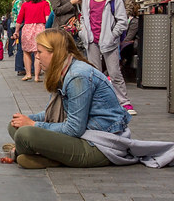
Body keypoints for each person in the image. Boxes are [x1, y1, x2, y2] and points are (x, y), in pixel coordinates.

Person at [7, 29, 130, 168]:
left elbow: (74, 128)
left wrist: (33, 124)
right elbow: (54, 113)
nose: (37, 57)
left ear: (55, 53)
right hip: (83, 137)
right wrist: (28, 119)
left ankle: (50, 157)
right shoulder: (63, 71)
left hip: (99, 145)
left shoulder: (77, 76)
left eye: (40, 52)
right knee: (14, 126)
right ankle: (49, 156)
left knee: (25, 134)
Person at [79, 0, 134, 115]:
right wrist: (83, 32)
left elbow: (122, 21)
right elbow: (84, 18)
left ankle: (124, 102)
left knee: (114, 72)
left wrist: (112, 36)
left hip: (108, 41)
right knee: (94, 73)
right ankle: (98, 102)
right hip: (91, 41)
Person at [16, 0, 51, 81]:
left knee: (26, 52)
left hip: (27, 28)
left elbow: (19, 20)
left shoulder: (25, 5)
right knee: (37, 53)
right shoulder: (45, 4)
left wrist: (16, 31)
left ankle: (28, 74)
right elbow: (48, 17)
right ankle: (36, 76)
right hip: (40, 28)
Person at [11, 0, 29, 73]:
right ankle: (20, 68)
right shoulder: (20, 2)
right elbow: (20, 16)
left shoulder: (20, 2)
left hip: (21, 26)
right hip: (21, 26)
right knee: (21, 48)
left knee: (22, 47)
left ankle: (21, 67)